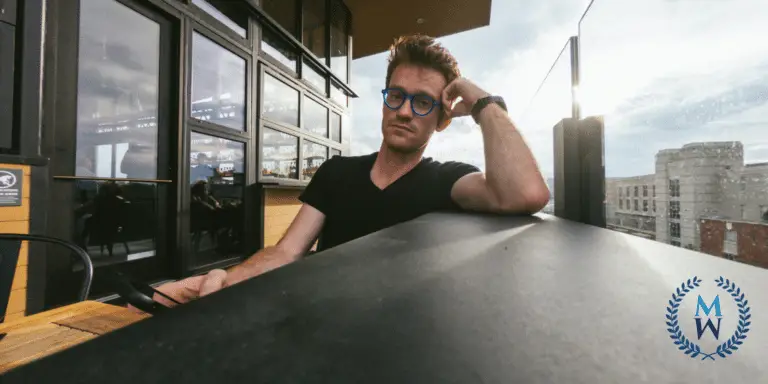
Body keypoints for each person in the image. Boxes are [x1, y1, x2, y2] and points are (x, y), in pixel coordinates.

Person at [152, 34, 550, 307]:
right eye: (396, 96)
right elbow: (286, 252)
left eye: (423, 102)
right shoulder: (337, 172)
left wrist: (483, 102)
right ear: (383, 102)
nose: (405, 110)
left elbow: (525, 194)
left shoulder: (447, 180)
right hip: (319, 323)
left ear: (442, 120)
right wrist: (222, 281)